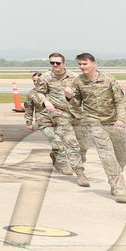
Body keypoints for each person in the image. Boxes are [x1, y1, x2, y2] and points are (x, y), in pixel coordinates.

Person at [67, 52, 126, 204]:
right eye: (80, 64)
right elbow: (75, 104)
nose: (82, 67)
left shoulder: (108, 79)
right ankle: (119, 188)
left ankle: (114, 179)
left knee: (122, 157)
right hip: (94, 123)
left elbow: (120, 101)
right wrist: (69, 97)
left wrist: (121, 119)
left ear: (94, 64)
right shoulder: (78, 81)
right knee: (107, 156)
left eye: (85, 64)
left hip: (114, 122)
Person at [37, 52, 86, 185]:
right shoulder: (45, 77)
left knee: (82, 146)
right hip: (59, 113)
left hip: (76, 114)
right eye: (52, 63)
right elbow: (39, 92)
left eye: (57, 63)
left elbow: (83, 95)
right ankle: (80, 173)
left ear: (64, 63)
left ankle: (58, 157)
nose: (55, 65)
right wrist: (45, 101)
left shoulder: (75, 77)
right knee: (72, 143)